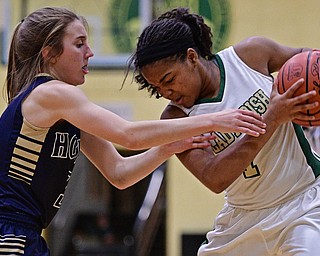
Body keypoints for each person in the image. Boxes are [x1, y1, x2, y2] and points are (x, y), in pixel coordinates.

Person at [0, 6, 268, 255]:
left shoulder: (64, 109)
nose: (90, 52)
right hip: (10, 232)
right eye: (79, 44)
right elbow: (128, 135)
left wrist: (167, 148)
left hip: (25, 233)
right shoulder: (50, 92)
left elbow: (119, 173)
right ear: (49, 53)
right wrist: (214, 120)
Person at [128, 7, 320, 256]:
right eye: (157, 87)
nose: (166, 92)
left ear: (192, 57)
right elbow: (215, 178)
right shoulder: (176, 118)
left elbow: (308, 61)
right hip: (243, 219)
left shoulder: (250, 56)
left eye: (169, 79)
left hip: (304, 199)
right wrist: (271, 118)